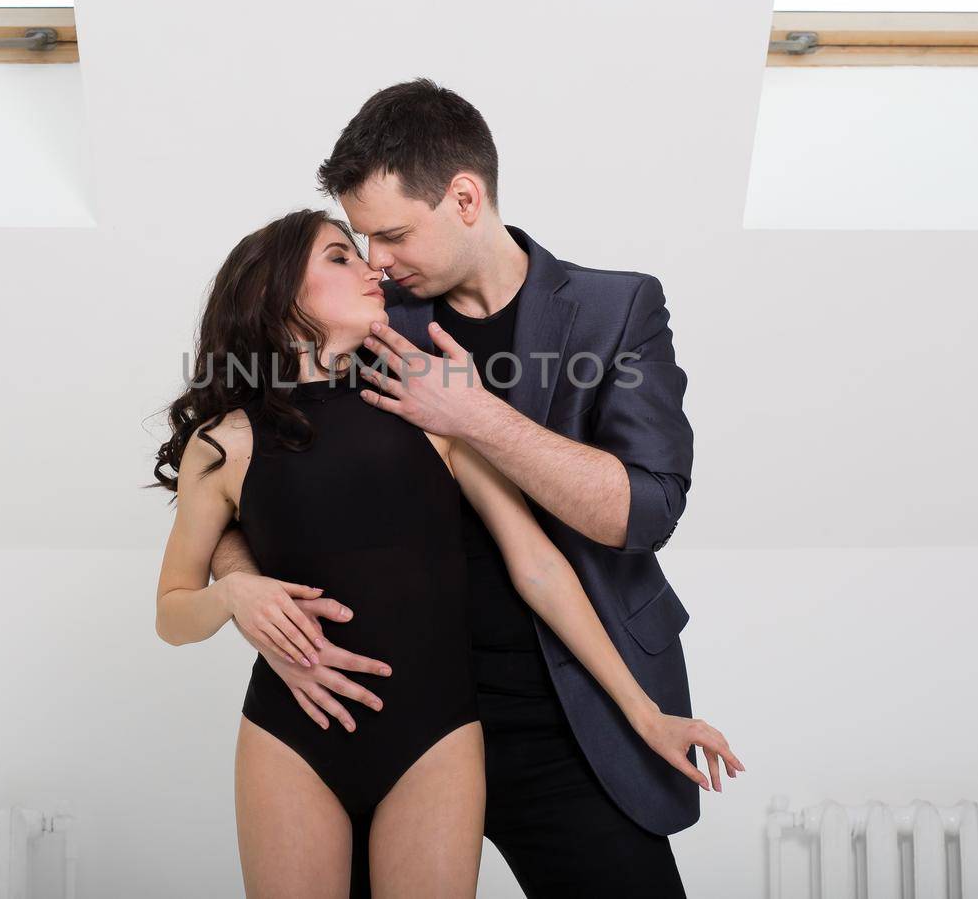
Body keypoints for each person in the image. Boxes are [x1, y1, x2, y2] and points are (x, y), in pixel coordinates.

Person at [208, 79, 719, 897]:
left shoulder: (616, 310)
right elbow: (246, 472)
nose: (376, 260)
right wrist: (240, 585)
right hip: (399, 707)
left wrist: (476, 413)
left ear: (466, 197)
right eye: (360, 240)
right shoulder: (368, 322)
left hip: (569, 711)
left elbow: (643, 511)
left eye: (393, 234)